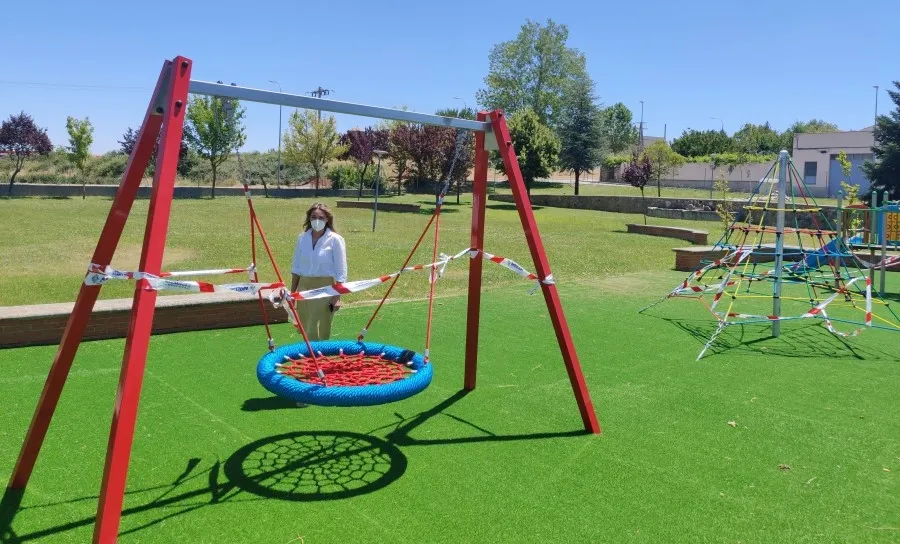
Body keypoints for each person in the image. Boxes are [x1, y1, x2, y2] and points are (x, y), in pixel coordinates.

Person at [290, 203, 347, 340]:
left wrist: (337, 296)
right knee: (305, 324)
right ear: (309, 218)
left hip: (325, 288)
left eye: (321, 217)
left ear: (327, 219)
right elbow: (296, 267)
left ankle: (320, 352)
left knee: (319, 325)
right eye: (313, 217)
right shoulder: (302, 238)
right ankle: (310, 352)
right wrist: (292, 294)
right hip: (304, 287)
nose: (317, 220)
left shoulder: (335, 240)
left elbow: (341, 271)